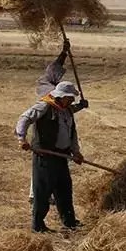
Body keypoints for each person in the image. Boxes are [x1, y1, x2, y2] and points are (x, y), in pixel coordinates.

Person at [16, 81, 85, 233]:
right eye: (70, 98)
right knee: (42, 192)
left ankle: (69, 222)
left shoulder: (67, 111)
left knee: (64, 189)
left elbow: (71, 133)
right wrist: (22, 138)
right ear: (61, 97)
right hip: (45, 156)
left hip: (62, 156)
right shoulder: (44, 106)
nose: (72, 101)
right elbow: (24, 118)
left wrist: (76, 152)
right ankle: (38, 226)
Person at [28, 39, 88, 204]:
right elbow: (53, 69)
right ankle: (36, 195)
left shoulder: (58, 94)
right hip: (46, 131)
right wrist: (63, 53)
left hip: (57, 130)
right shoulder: (48, 92)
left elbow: (66, 110)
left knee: (53, 165)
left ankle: (48, 194)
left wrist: (79, 106)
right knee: (42, 164)